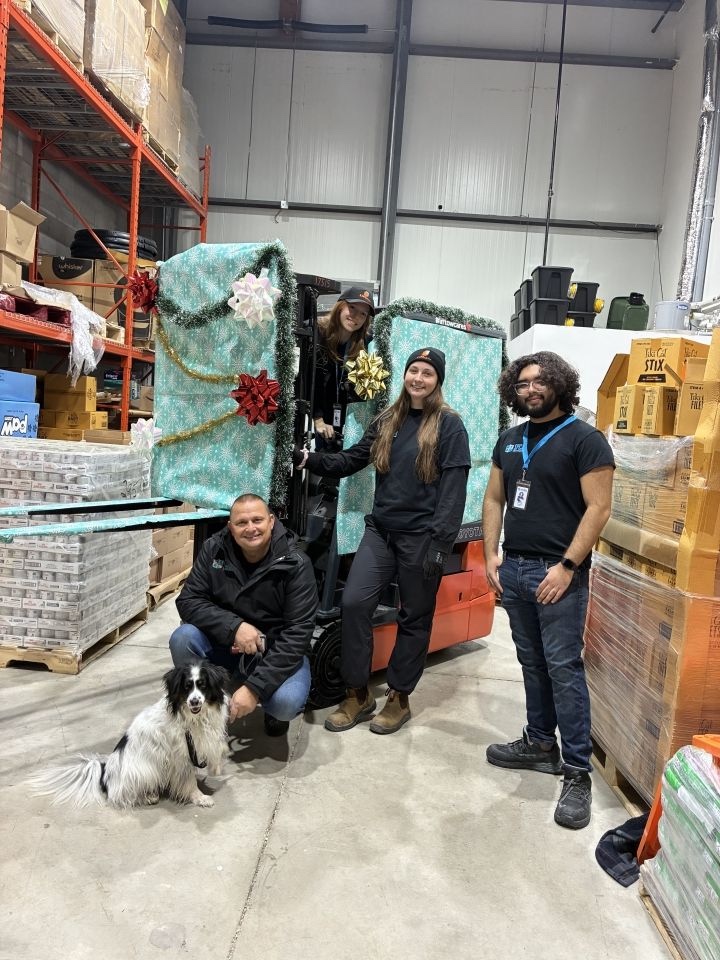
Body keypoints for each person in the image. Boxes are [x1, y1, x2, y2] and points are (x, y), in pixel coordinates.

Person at [293, 347, 470, 735]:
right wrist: (309, 459)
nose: (418, 378)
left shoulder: (450, 426)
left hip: (422, 538)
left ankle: (399, 697)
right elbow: (352, 459)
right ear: (404, 375)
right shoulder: (388, 419)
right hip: (381, 532)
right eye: (413, 370)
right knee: (354, 604)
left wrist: (440, 546)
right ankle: (357, 693)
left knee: (414, 617)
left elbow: (453, 492)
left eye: (427, 373)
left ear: (437, 380)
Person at [481, 351, 614, 830]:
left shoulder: (585, 439)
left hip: (558, 574)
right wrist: (490, 554)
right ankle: (540, 743)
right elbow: (494, 497)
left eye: (539, 381)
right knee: (531, 662)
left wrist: (567, 566)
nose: (531, 389)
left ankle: (577, 772)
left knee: (563, 668)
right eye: (522, 383)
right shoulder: (509, 439)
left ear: (559, 383)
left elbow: (599, 508)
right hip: (514, 569)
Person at [170, 494, 319, 736]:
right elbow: (188, 600)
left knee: (285, 704)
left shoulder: (296, 564)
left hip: (276, 650)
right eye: (241, 523)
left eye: (257, 520)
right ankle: (208, 707)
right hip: (226, 645)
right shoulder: (214, 549)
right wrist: (235, 627)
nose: (250, 528)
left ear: (271, 521)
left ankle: (270, 707)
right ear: (231, 527)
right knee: (183, 638)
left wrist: (254, 688)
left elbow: (298, 634)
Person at [310, 286, 374, 447]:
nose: (356, 316)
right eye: (352, 307)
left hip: (351, 424)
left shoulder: (366, 344)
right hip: (323, 421)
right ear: (340, 306)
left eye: (363, 313)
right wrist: (318, 418)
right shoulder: (317, 334)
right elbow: (310, 380)